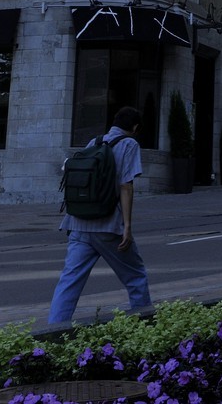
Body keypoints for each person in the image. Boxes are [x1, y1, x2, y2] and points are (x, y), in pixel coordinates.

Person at [48, 105, 152, 325]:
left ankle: (53, 331)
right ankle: (146, 327)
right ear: (135, 127)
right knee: (136, 276)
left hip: (78, 223)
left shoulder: (94, 143)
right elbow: (126, 186)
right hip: (108, 226)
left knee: (69, 282)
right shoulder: (129, 144)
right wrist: (127, 226)